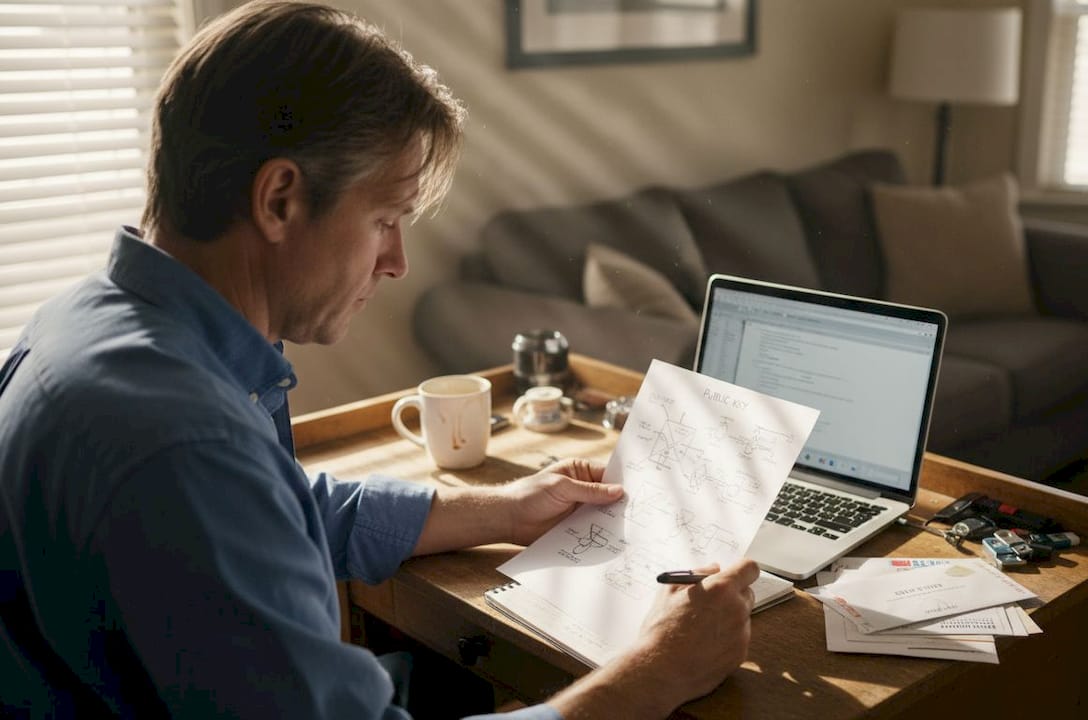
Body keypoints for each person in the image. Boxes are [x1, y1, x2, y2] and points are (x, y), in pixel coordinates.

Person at [0, 2, 760, 718]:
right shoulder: (185, 442)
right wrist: (657, 671)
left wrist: (505, 508)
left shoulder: (92, 322)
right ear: (279, 200)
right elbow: (226, 491)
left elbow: (277, 511)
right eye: (385, 220)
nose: (396, 261)